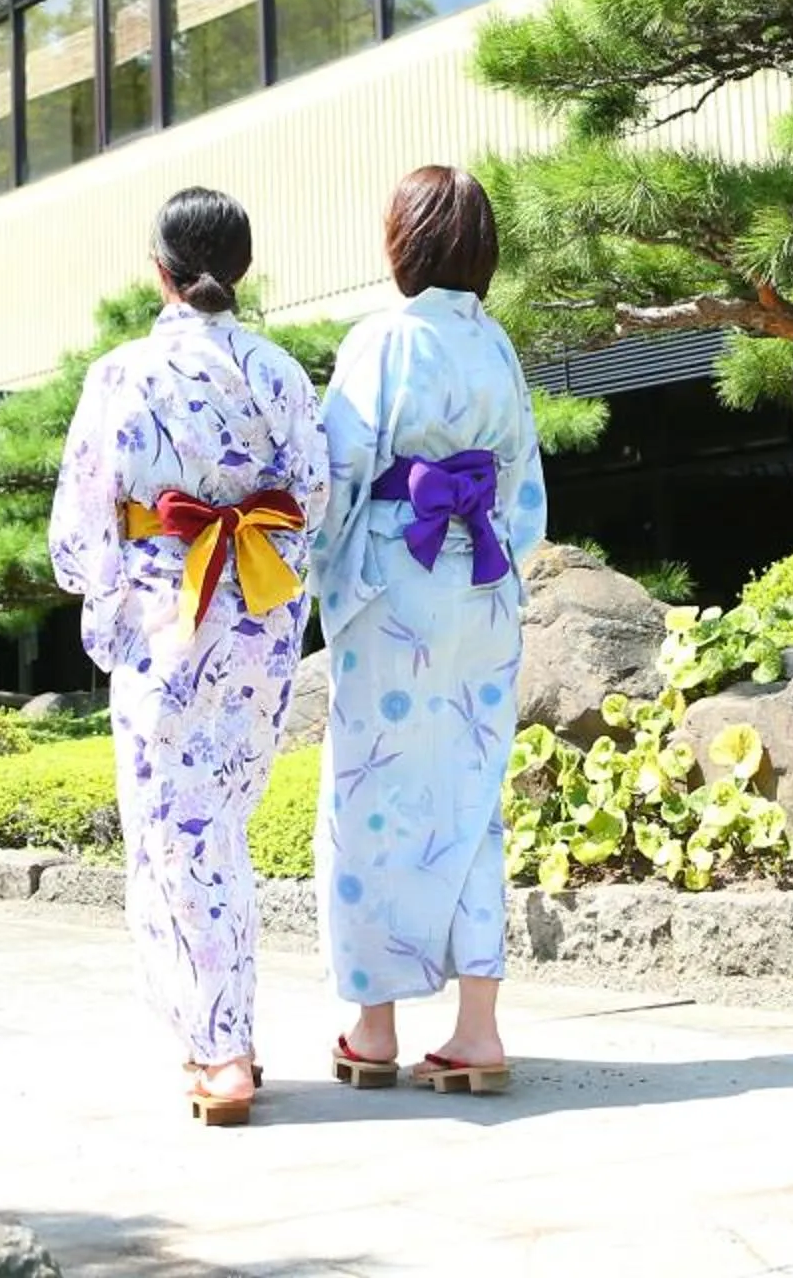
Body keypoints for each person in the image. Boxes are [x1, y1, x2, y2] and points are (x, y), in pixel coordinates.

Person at [48, 188, 328, 1127]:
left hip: (168, 611)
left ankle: (221, 1048)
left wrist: (103, 592)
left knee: (178, 830)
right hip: (258, 608)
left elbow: (83, 528)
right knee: (223, 820)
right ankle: (218, 1036)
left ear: (159, 270)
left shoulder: (122, 374)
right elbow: (315, 496)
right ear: (237, 267)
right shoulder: (281, 371)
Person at [312, 165, 546, 1095]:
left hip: (393, 586)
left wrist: (321, 577)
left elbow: (336, 476)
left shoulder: (383, 341)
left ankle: (374, 1028)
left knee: (370, 796)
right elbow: (524, 489)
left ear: (402, 244)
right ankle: (478, 1029)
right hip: (481, 584)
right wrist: (491, 561)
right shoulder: (498, 349)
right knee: (469, 791)